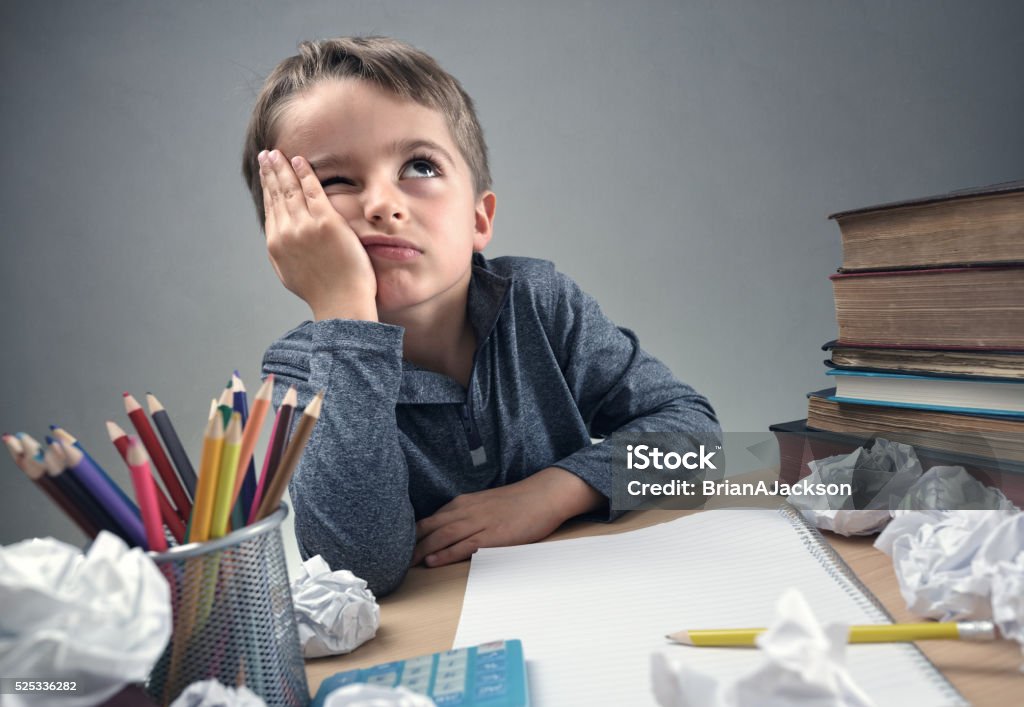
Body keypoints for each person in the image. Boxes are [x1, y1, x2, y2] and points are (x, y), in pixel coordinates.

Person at [242, 36, 720, 596]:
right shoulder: (301, 371)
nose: (381, 203)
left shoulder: (539, 302)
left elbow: (696, 436)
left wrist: (554, 491)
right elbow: (356, 568)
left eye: (419, 166)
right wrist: (344, 317)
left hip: (588, 591)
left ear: (478, 219)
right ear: (288, 235)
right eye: (333, 182)